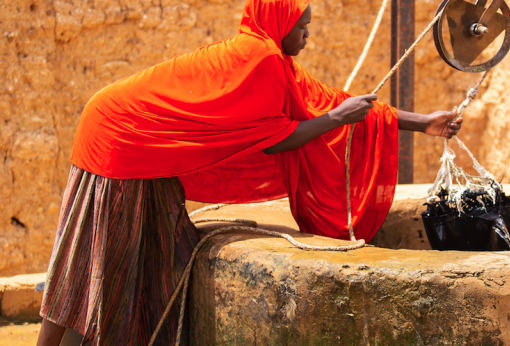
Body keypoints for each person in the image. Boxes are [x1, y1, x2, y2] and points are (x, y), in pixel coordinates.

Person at [37, 0, 462, 344]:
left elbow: (329, 102)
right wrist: (335, 119)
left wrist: (423, 122)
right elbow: (279, 138)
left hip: (127, 140)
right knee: (95, 268)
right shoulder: (260, 60)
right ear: (279, 25)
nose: (308, 36)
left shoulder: (272, 58)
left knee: (99, 267)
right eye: (302, 27)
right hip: (123, 142)